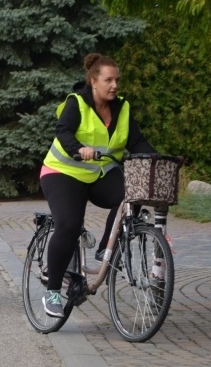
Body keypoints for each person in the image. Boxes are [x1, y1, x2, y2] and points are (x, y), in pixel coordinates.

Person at [40, 53, 157, 318]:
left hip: (100, 173)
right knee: (69, 225)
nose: (114, 85)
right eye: (108, 80)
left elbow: (136, 142)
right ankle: (53, 293)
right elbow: (63, 131)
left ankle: (107, 247)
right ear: (94, 81)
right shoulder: (77, 103)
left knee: (133, 193)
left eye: (117, 80)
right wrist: (78, 149)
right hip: (64, 172)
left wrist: (157, 159)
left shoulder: (122, 108)